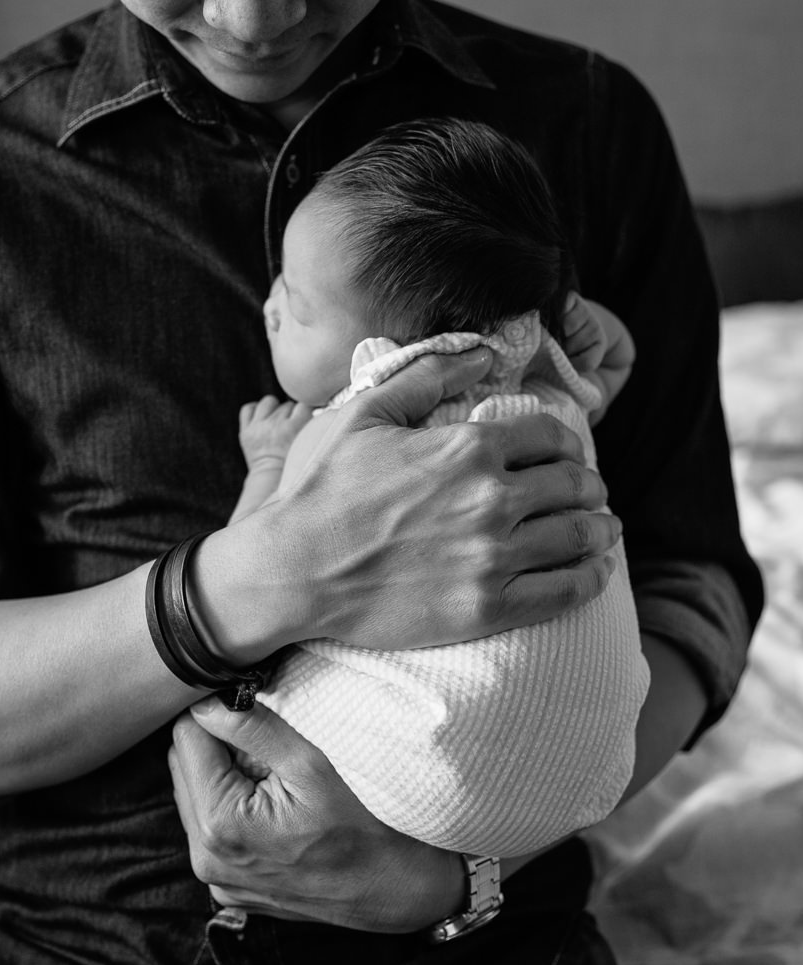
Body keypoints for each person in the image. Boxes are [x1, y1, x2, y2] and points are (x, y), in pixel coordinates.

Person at [0, 1, 764, 965]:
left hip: (484, 964)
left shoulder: (584, 121)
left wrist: (459, 874)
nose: (253, 19)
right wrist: (262, 581)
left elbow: (692, 582)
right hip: (74, 960)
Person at [229, 117, 650, 859]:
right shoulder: (544, 386)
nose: (268, 306)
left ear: (385, 358)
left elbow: (254, 560)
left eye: (294, 305)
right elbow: (610, 363)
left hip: (427, 769)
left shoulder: (353, 437)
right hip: (593, 773)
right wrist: (599, 331)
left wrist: (269, 462)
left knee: (224, 680)